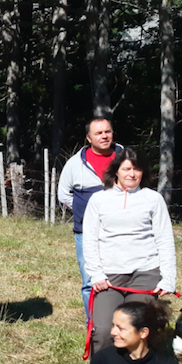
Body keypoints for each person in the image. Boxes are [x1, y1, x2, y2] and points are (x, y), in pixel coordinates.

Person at [83, 147, 176, 355]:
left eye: (137, 169)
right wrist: (96, 274)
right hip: (109, 277)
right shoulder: (99, 200)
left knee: (136, 329)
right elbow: (89, 240)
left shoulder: (153, 199)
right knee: (106, 330)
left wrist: (168, 278)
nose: (131, 174)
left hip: (145, 274)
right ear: (116, 171)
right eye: (126, 169)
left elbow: (165, 240)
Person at [57, 117, 123, 320]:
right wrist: (85, 211)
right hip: (86, 233)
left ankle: (122, 325)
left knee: (122, 278)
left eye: (107, 132)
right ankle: (94, 325)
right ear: (88, 138)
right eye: (98, 133)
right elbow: (64, 194)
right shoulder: (75, 164)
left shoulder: (126, 158)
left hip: (122, 231)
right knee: (90, 281)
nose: (104, 136)